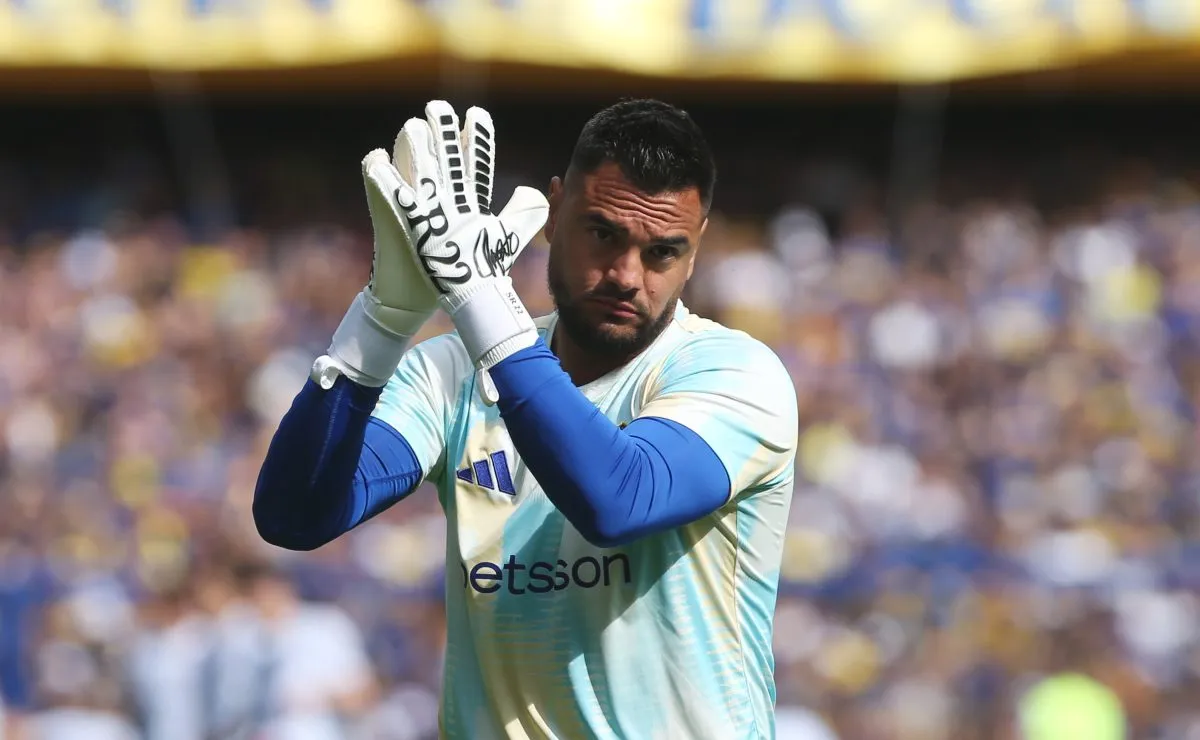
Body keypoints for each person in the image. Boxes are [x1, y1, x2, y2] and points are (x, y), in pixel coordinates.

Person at [253, 98, 798, 739]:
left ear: (697, 244)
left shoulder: (733, 372)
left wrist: (482, 297)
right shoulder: (452, 373)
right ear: (553, 211)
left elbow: (617, 501)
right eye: (603, 233)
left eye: (663, 253)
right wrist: (384, 317)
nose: (627, 275)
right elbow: (295, 515)